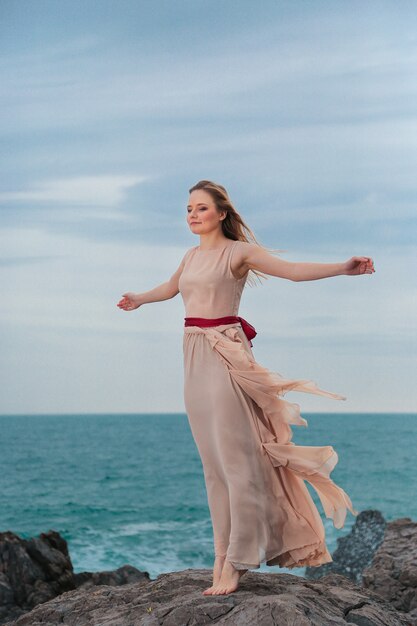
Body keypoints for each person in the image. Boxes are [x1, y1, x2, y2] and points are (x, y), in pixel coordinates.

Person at [117, 179, 375, 596]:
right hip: (193, 359)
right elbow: (169, 289)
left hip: (224, 356)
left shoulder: (239, 253)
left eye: (201, 208)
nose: (192, 215)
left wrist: (342, 268)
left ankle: (238, 561)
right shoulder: (189, 257)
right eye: (188, 209)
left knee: (238, 464)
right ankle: (221, 556)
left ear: (221, 213)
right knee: (214, 469)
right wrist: (139, 298)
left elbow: (292, 272)